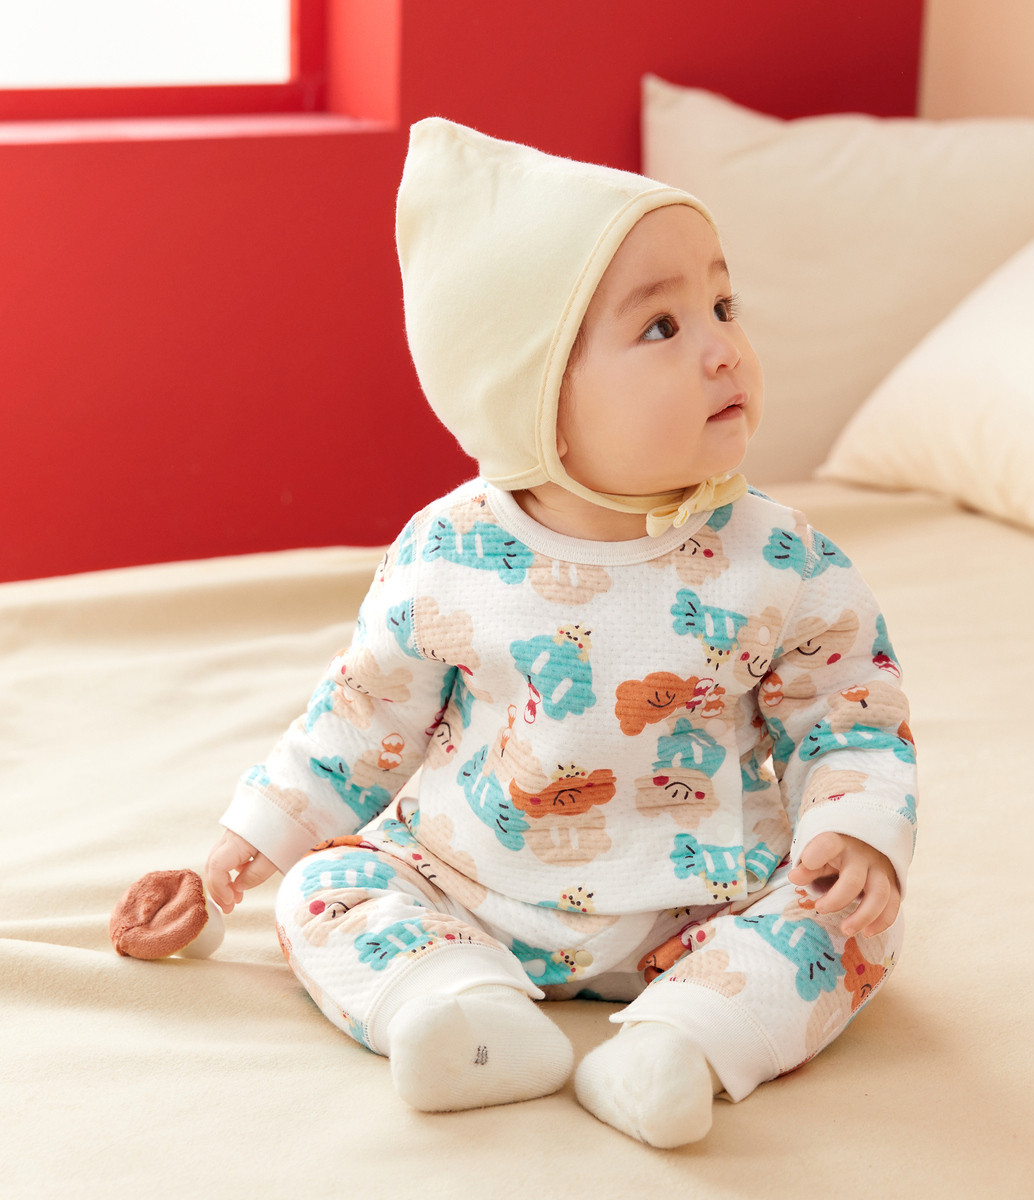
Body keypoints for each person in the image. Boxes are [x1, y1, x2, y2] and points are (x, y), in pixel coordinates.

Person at [205, 118, 917, 1149]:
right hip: (473, 885)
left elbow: (852, 714)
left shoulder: (780, 557)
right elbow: (363, 715)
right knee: (324, 889)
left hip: (704, 902)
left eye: (723, 306)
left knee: (856, 927)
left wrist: (852, 833)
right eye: (662, 326)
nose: (724, 347)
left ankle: (680, 1044)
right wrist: (250, 841)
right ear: (536, 396)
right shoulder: (448, 550)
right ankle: (458, 1011)